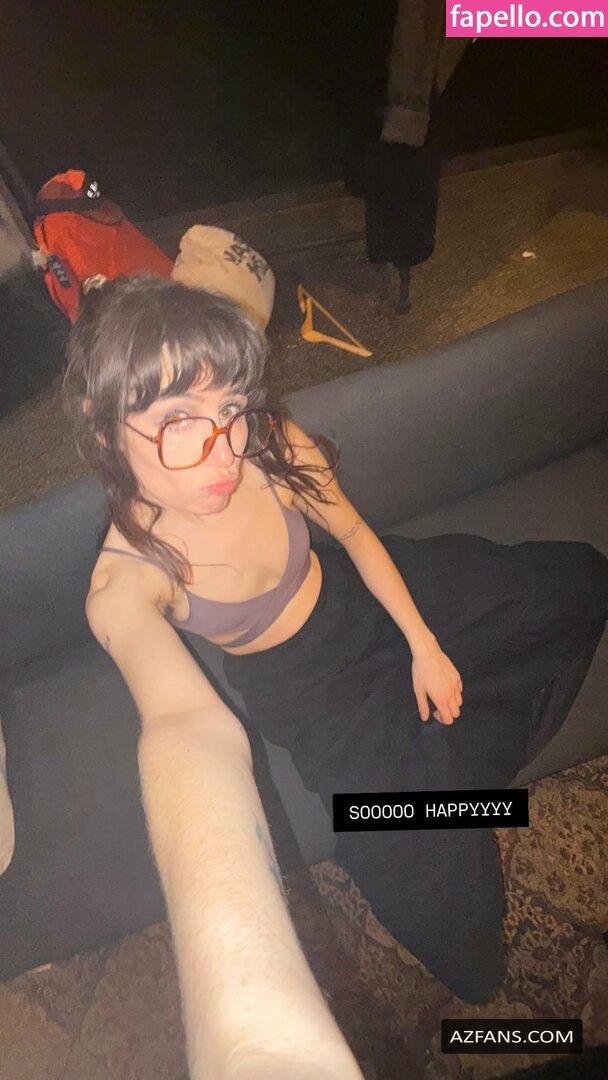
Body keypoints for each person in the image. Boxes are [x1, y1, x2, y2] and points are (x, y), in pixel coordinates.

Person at [63, 275, 608, 1062]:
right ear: (105, 426)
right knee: (469, 952)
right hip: (317, 696)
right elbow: (182, 724)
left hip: (369, 600)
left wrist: (423, 643)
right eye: (178, 421)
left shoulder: (265, 442)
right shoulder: (124, 582)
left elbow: (352, 534)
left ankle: (442, 765)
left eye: (229, 406)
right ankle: (443, 771)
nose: (222, 451)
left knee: (579, 581)